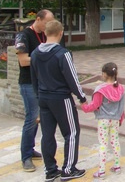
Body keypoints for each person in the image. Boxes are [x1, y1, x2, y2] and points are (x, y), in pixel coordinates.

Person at [30, 20, 87, 182]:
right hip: (61, 98)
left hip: (43, 97)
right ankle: (68, 170)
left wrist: (38, 96)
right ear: (60, 33)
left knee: (47, 134)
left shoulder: (35, 53)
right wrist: (81, 96)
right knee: (72, 132)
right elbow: (72, 78)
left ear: (45, 33)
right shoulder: (63, 54)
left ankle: (50, 171)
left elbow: (34, 78)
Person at [14, 9, 55, 172]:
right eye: (47, 22)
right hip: (28, 83)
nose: (49, 25)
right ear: (38, 20)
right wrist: (44, 57)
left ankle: (30, 149)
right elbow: (24, 61)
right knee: (31, 118)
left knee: (37, 118)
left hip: (41, 83)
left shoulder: (46, 35)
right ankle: (25, 157)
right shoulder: (23, 36)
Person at [81, 62, 125, 179]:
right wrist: (120, 119)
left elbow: (95, 105)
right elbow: (122, 107)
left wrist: (84, 106)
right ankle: (117, 166)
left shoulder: (100, 89)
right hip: (115, 119)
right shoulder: (120, 88)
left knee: (103, 144)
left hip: (103, 120)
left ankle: (101, 171)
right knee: (115, 142)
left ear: (104, 74)